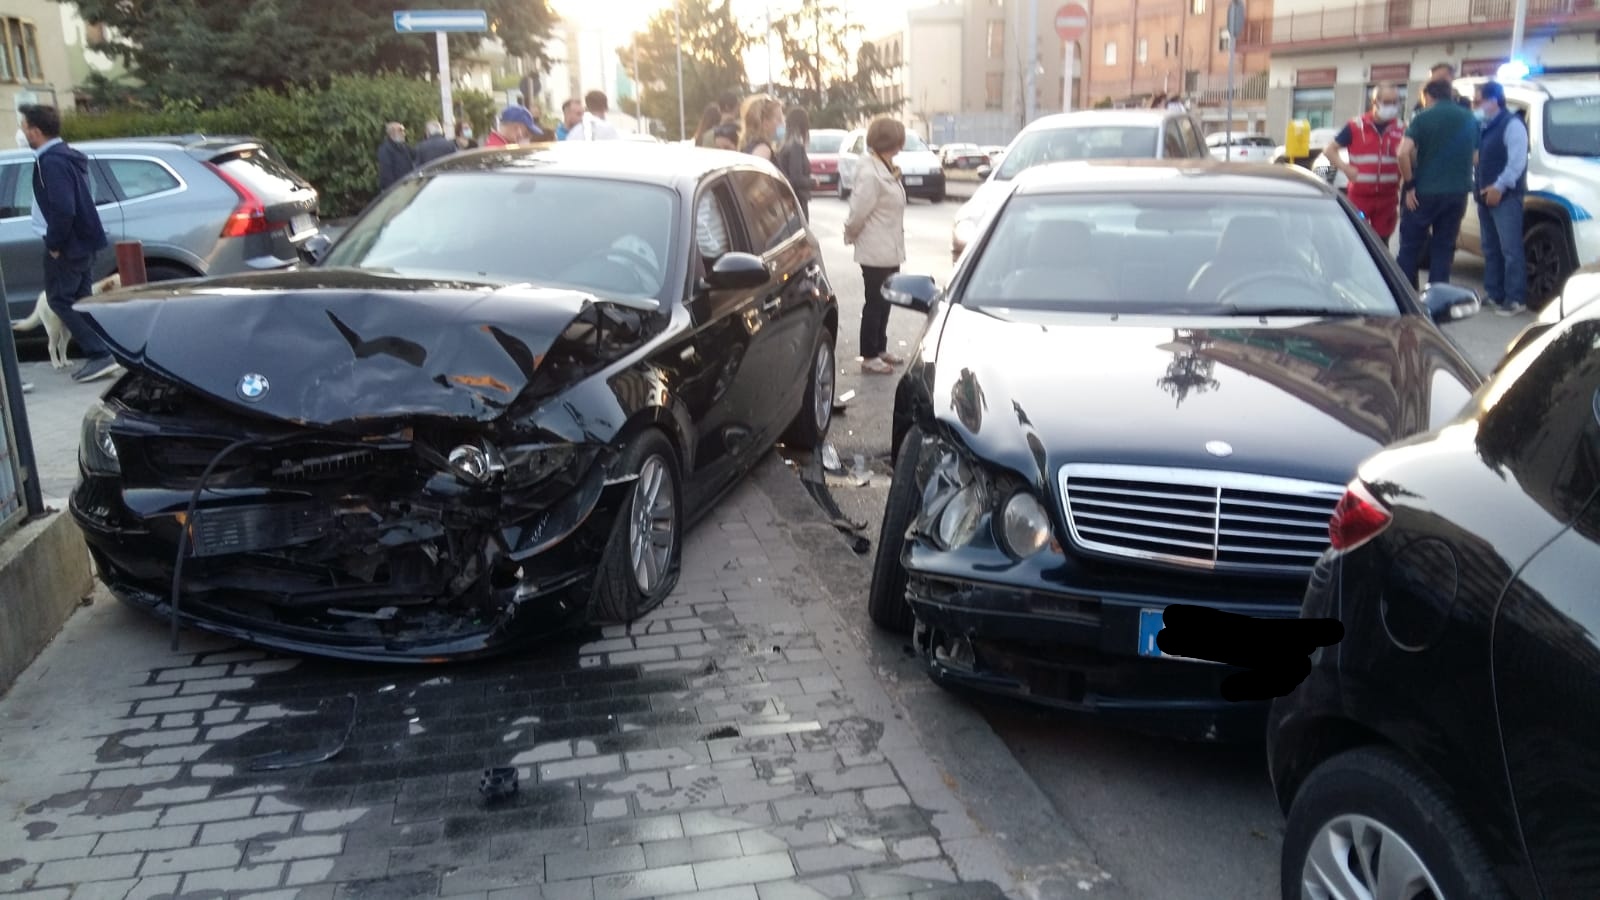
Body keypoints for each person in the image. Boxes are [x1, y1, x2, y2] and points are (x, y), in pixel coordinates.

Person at [19, 104, 116, 382]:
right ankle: (106, 354)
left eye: (25, 127)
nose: (23, 132)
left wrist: (54, 242)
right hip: (83, 242)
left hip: (67, 245)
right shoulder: (67, 156)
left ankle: (100, 353)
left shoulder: (53, 162)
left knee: (60, 300)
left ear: (36, 131)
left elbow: (64, 208)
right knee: (81, 301)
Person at [1396, 79, 1479, 288]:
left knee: (1410, 247)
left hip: (1424, 193)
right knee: (1444, 248)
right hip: (1457, 193)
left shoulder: (1422, 118)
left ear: (1427, 96)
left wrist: (1410, 184)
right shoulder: (1470, 118)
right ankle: (1437, 298)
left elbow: (1402, 153)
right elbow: (1476, 158)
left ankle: (1405, 295)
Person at [843, 116, 908, 376]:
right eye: (898, 141)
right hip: (875, 249)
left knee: (886, 302)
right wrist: (850, 234)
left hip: (889, 248)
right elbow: (858, 212)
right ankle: (869, 354)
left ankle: (880, 348)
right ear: (889, 142)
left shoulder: (884, 165)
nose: (901, 146)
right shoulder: (870, 171)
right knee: (875, 302)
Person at [1474, 80, 1530, 316]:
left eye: (1478, 102)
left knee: (1510, 248)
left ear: (1493, 101)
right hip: (1485, 195)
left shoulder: (1512, 125)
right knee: (1490, 247)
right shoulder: (1485, 126)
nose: (1475, 106)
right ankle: (1495, 292)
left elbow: (1516, 162)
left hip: (1505, 196)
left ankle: (1516, 298)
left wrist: (1499, 187)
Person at [1324, 84, 1404, 243]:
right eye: (1388, 102)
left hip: (1387, 199)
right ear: (1375, 102)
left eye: (1396, 102)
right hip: (1360, 198)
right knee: (1353, 240)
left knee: (1381, 244)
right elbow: (1329, 150)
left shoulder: (1401, 128)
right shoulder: (1356, 126)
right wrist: (1345, 168)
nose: (1392, 106)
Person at [775, 107, 812, 220]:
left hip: (787, 201)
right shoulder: (796, 146)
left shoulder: (783, 146)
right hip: (797, 202)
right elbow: (796, 179)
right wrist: (813, 182)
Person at [739, 94, 782, 161]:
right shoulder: (763, 149)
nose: (782, 123)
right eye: (779, 119)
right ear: (765, 123)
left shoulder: (747, 147)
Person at [376, 121, 414, 190]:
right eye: (400, 131)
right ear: (392, 133)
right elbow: (386, 173)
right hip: (395, 190)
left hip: (408, 187)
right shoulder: (385, 149)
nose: (404, 134)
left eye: (403, 131)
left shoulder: (405, 147)